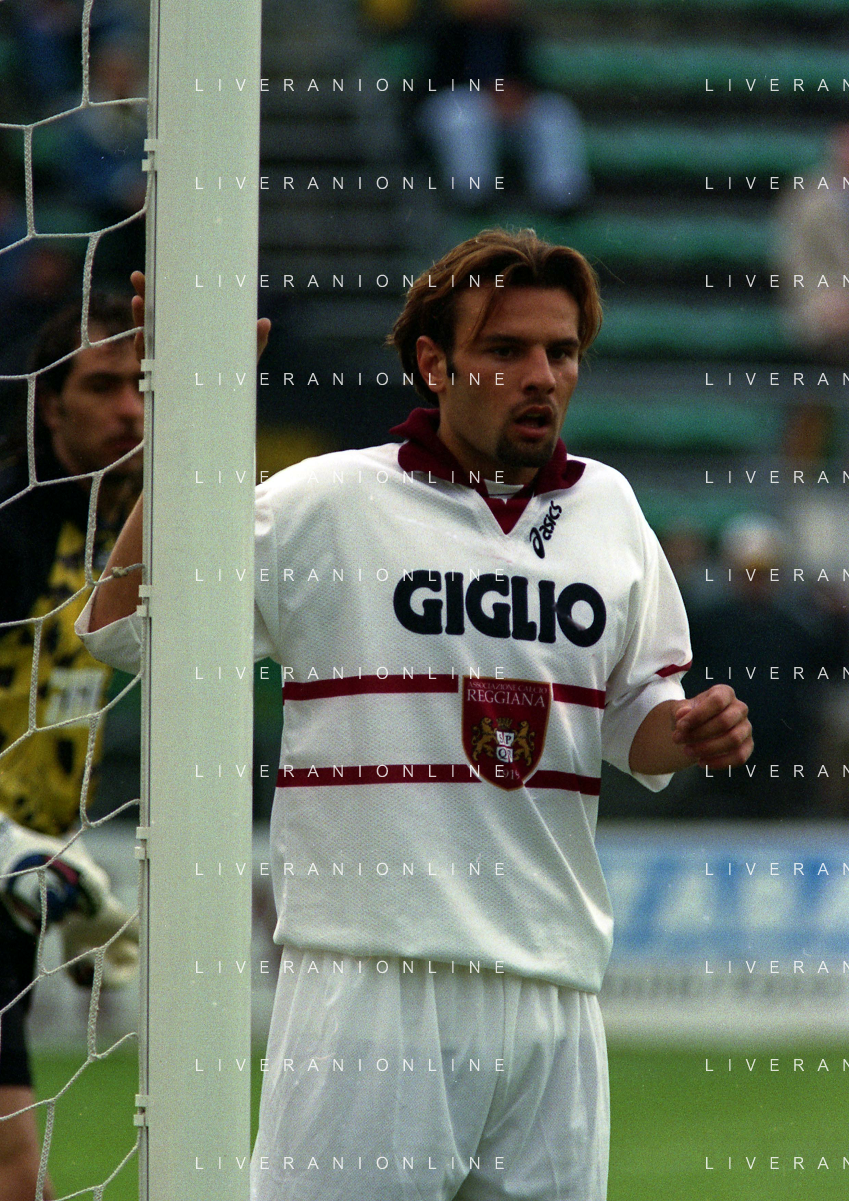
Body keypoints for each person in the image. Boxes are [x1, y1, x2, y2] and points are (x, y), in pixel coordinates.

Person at [80, 230, 753, 1201]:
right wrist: (189, 416)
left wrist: (689, 730)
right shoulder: (329, 499)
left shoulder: (609, 508)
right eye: (505, 349)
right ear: (434, 364)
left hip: (555, 990)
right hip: (372, 978)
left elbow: (636, 714)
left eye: (561, 351)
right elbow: (126, 630)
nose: (541, 375)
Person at [0, 293, 143, 1201]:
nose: (129, 409)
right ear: (49, 404)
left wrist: (58, 861)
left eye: (144, 386)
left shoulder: (126, 539)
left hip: (18, 883)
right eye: (101, 386)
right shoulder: (11, 525)